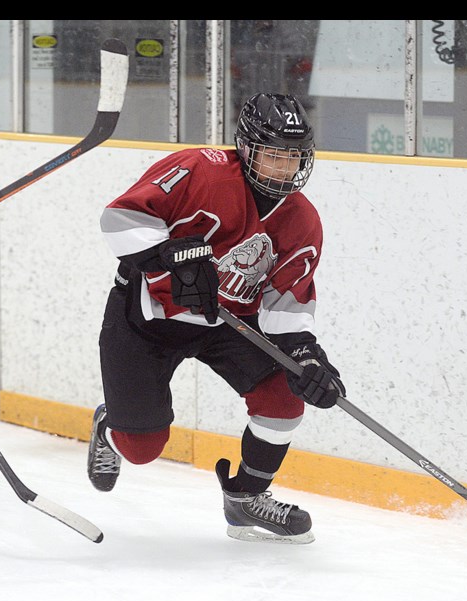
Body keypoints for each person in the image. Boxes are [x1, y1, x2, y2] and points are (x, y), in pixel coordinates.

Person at [88, 93, 345, 544]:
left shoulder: (302, 220)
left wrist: (307, 357)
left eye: (294, 158)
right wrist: (166, 255)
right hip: (148, 316)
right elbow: (120, 217)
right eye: (273, 156)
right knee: (142, 448)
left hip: (230, 323)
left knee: (285, 398)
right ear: (246, 148)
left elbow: (287, 304)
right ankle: (112, 422)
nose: (284, 169)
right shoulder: (199, 169)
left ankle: (246, 500)